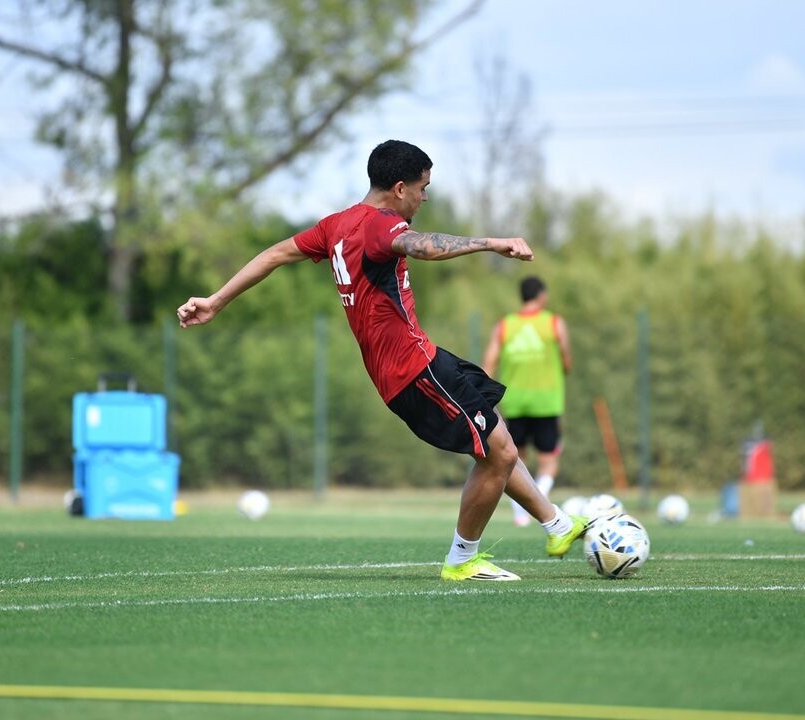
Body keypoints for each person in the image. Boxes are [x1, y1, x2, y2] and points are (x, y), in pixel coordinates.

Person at [177, 139, 589, 580]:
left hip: (414, 363)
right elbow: (422, 246)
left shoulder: (336, 225)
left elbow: (276, 254)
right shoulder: (381, 226)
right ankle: (462, 559)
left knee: (498, 440)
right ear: (399, 188)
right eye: (423, 188)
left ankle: (557, 525)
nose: (424, 198)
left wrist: (216, 301)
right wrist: (491, 243)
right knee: (499, 452)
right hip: (413, 369)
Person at [482, 276, 572, 526]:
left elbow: (488, 364)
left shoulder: (504, 326)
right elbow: (567, 362)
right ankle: (540, 504)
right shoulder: (554, 323)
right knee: (549, 460)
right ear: (542, 295)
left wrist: (484, 397)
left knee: (514, 460)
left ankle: (521, 514)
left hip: (515, 402)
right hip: (547, 401)